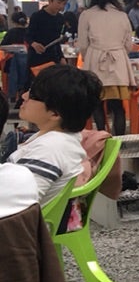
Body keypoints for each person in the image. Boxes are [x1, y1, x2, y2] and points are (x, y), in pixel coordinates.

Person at [7, 64, 102, 203]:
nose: (24, 96)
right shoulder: (58, 139)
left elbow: (18, 202)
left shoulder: (50, 150)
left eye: (33, 95)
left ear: (55, 114)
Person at [77, 0, 136, 135]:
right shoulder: (121, 15)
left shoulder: (86, 15)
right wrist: (120, 52)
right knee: (117, 106)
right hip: (118, 60)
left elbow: (82, 43)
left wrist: (88, 56)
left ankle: (101, 137)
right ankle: (120, 140)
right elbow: (129, 44)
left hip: (95, 59)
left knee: (97, 103)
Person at [27, 0, 69, 71]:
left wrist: (61, 57)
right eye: (58, 3)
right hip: (37, 58)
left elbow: (56, 41)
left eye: (64, 4)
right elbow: (28, 36)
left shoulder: (60, 18)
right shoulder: (37, 16)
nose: (61, 6)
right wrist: (34, 44)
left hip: (53, 59)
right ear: (50, 0)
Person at [3, 11, 30, 105]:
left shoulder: (11, 32)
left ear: (13, 22)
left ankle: (12, 96)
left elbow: (3, 46)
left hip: (12, 63)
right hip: (29, 63)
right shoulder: (30, 32)